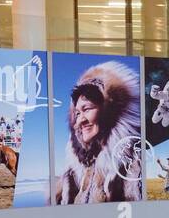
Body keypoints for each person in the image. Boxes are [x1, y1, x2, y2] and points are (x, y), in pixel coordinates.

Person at [57, 61, 142, 204]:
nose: (80, 121)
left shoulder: (132, 165)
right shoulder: (73, 175)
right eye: (77, 114)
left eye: (87, 109)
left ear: (108, 110)